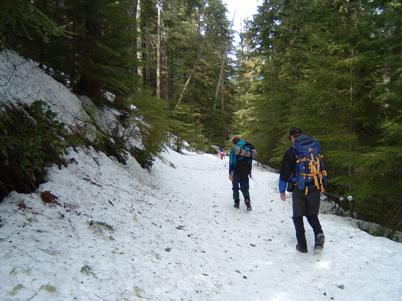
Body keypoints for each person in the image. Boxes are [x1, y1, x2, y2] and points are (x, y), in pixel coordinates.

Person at [279, 128, 325, 253]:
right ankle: (319, 234)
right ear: (302, 135)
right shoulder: (314, 148)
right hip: (314, 185)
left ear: (292, 138)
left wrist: (282, 190)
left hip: (298, 187)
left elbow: (284, 173)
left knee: (298, 216)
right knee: (312, 214)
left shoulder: (292, 151)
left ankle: (302, 245)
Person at [229, 136, 253, 211]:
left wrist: (230, 173)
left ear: (234, 143)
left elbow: (232, 162)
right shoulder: (248, 147)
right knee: (245, 188)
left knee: (235, 187)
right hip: (246, 171)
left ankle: (237, 203)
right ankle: (247, 202)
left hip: (236, 171)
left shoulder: (234, 149)